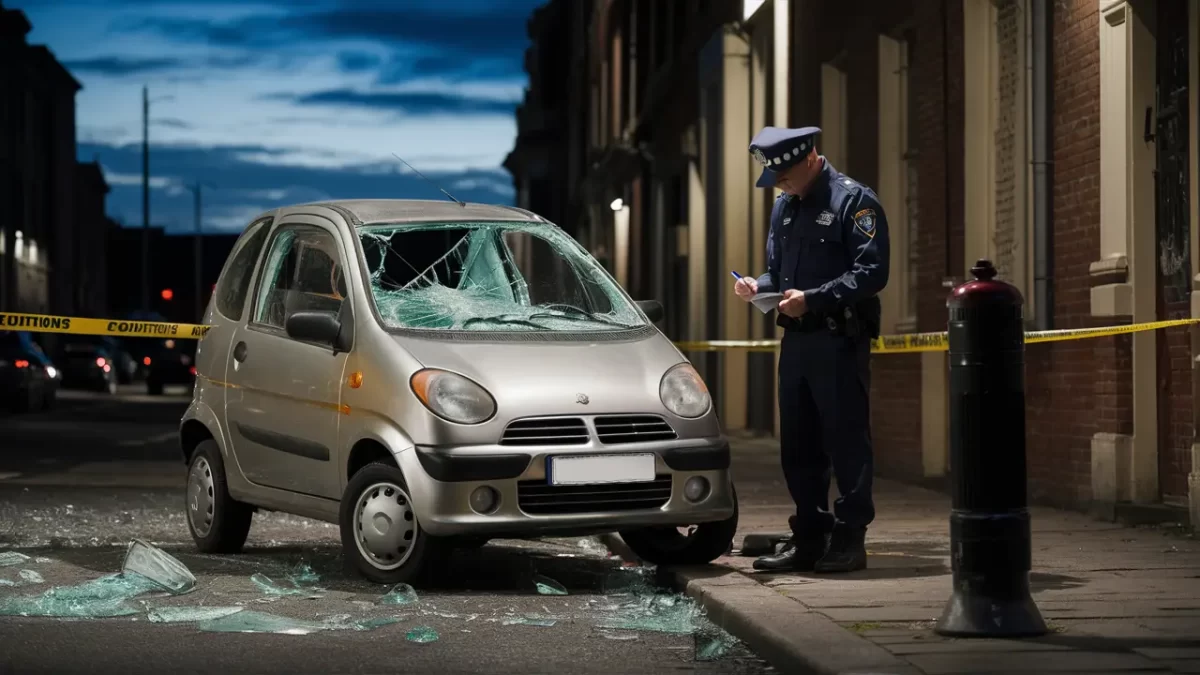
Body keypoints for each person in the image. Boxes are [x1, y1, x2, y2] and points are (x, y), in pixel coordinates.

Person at [733, 126, 890, 573]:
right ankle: (809, 535)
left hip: (840, 339)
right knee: (799, 444)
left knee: (845, 439)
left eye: (783, 175)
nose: (778, 185)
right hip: (798, 341)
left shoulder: (852, 201)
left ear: (808, 159)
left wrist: (815, 298)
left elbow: (873, 272)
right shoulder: (785, 207)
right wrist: (756, 286)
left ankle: (849, 538)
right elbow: (777, 274)